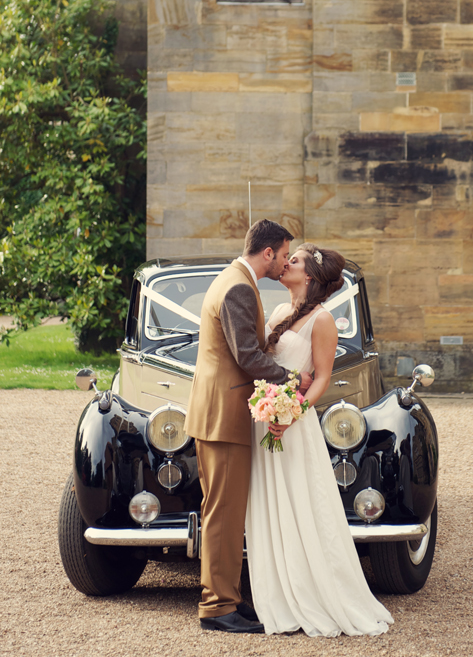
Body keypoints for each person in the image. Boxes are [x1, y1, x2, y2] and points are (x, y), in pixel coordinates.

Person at [244, 243, 394, 638]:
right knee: (270, 505)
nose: (284, 262)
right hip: (265, 417)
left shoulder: (323, 320)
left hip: (292, 423)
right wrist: (270, 405)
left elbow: (323, 377)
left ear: (308, 275)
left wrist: (292, 413)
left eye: (293, 260)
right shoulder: (277, 312)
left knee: (301, 505)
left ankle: (312, 594)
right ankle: (274, 594)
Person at [184, 219, 313, 634]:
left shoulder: (235, 279)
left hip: (222, 414)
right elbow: (248, 356)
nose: (285, 264)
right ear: (269, 252)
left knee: (227, 511)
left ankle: (230, 600)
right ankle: (218, 607)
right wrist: (294, 381)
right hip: (224, 416)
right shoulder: (239, 286)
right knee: (223, 514)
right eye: (284, 253)